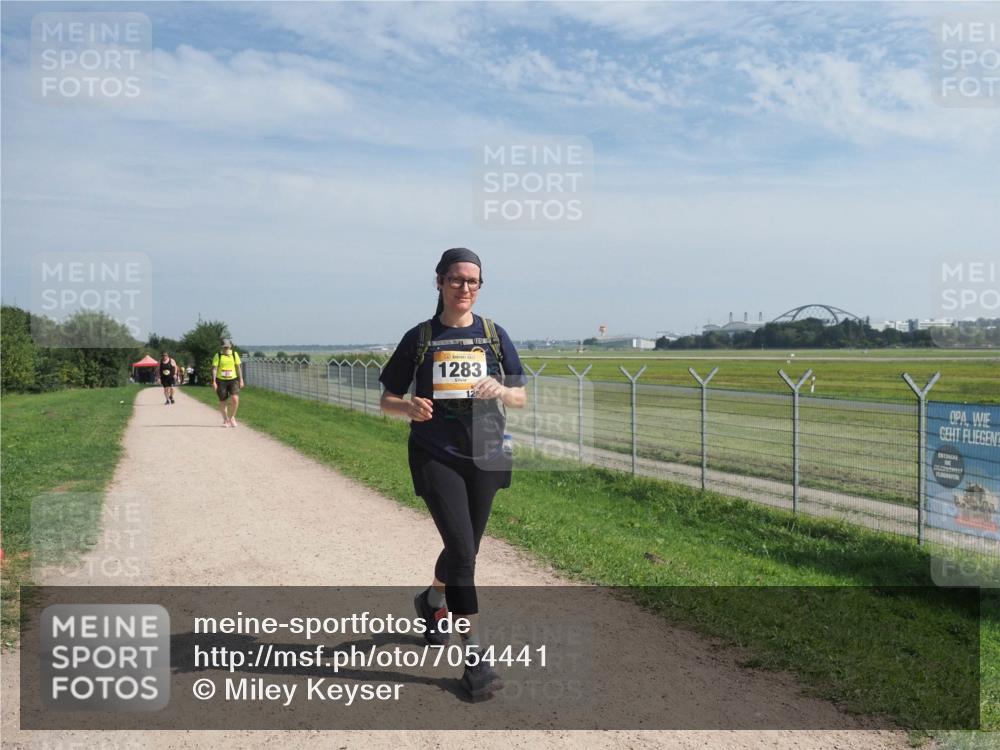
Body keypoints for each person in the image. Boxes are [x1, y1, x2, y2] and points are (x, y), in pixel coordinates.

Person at [379, 247, 527, 700]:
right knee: (463, 552)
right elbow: (386, 398)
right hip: (434, 453)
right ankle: (475, 660)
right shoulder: (420, 337)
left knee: (465, 548)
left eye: (474, 281)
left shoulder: (493, 335)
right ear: (440, 282)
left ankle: (431, 601)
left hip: (485, 454)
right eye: (457, 279)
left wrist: (500, 388)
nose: (466, 288)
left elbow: (520, 396)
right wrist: (408, 405)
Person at [211, 339, 244, 427]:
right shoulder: (218, 355)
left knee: (235, 398)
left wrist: (241, 380)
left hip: (233, 379)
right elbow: (214, 369)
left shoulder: (234, 354)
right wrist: (214, 381)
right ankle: (225, 420)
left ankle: (232, 417)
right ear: (222, 347)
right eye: (224, 347)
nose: (226, 348)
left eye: (227, 346)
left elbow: (238, 368)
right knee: (223, 401)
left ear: (230, 346)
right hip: (221, 380)